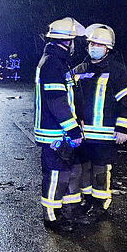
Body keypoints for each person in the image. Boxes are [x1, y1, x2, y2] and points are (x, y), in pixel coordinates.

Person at [68, 24, 127, 221]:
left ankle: (100, 205)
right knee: (84, 169)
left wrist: (123, 128)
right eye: (92, 43)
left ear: (108, 49)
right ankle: (87, 201)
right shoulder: (79, 70)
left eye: (99, 44)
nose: (94, 47)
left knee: (101, 170)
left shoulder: (117, 71)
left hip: (105, 135)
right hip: (83, 133)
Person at [34, 17, 84, 232]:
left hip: (58, 130)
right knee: (55, 174)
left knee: (64, 172)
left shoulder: (56, 60)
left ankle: (63, 212)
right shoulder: (53, 64)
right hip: (54, 132)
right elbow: (56, 100)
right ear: (68, 41)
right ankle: (52, 218)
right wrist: (72, 129)